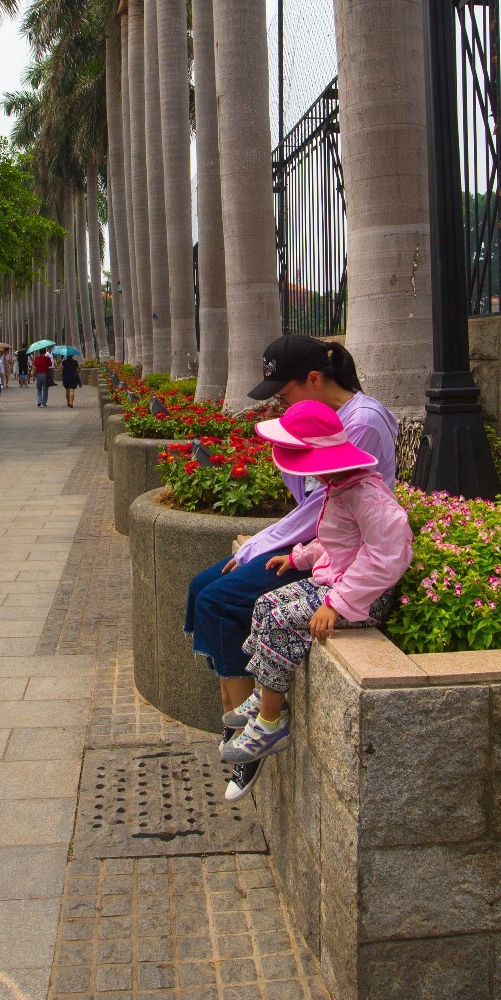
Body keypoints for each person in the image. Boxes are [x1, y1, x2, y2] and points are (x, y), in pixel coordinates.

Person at [184, 335, 399, 799]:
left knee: (221, 601)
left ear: (315, 380)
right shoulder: (316, 426)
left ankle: (258, 732)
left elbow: (339, 521)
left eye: (284, 393)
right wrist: (293, 552)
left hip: (345, 575)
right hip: (318, 550)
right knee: (200, 588)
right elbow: (324, 517)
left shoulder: (356, 430)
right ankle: (247, 705)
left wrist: (263, 547)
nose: (279, 405)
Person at [218, 400, 411, 788]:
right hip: (337, 583)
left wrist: (336, 605)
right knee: (265, 604)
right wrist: (299, 557)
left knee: (278, 618)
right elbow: (338, 542)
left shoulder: (366, 497)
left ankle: (271, 722)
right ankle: (265, 695)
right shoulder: (342, 489)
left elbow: (387, 557)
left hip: (363, 598)